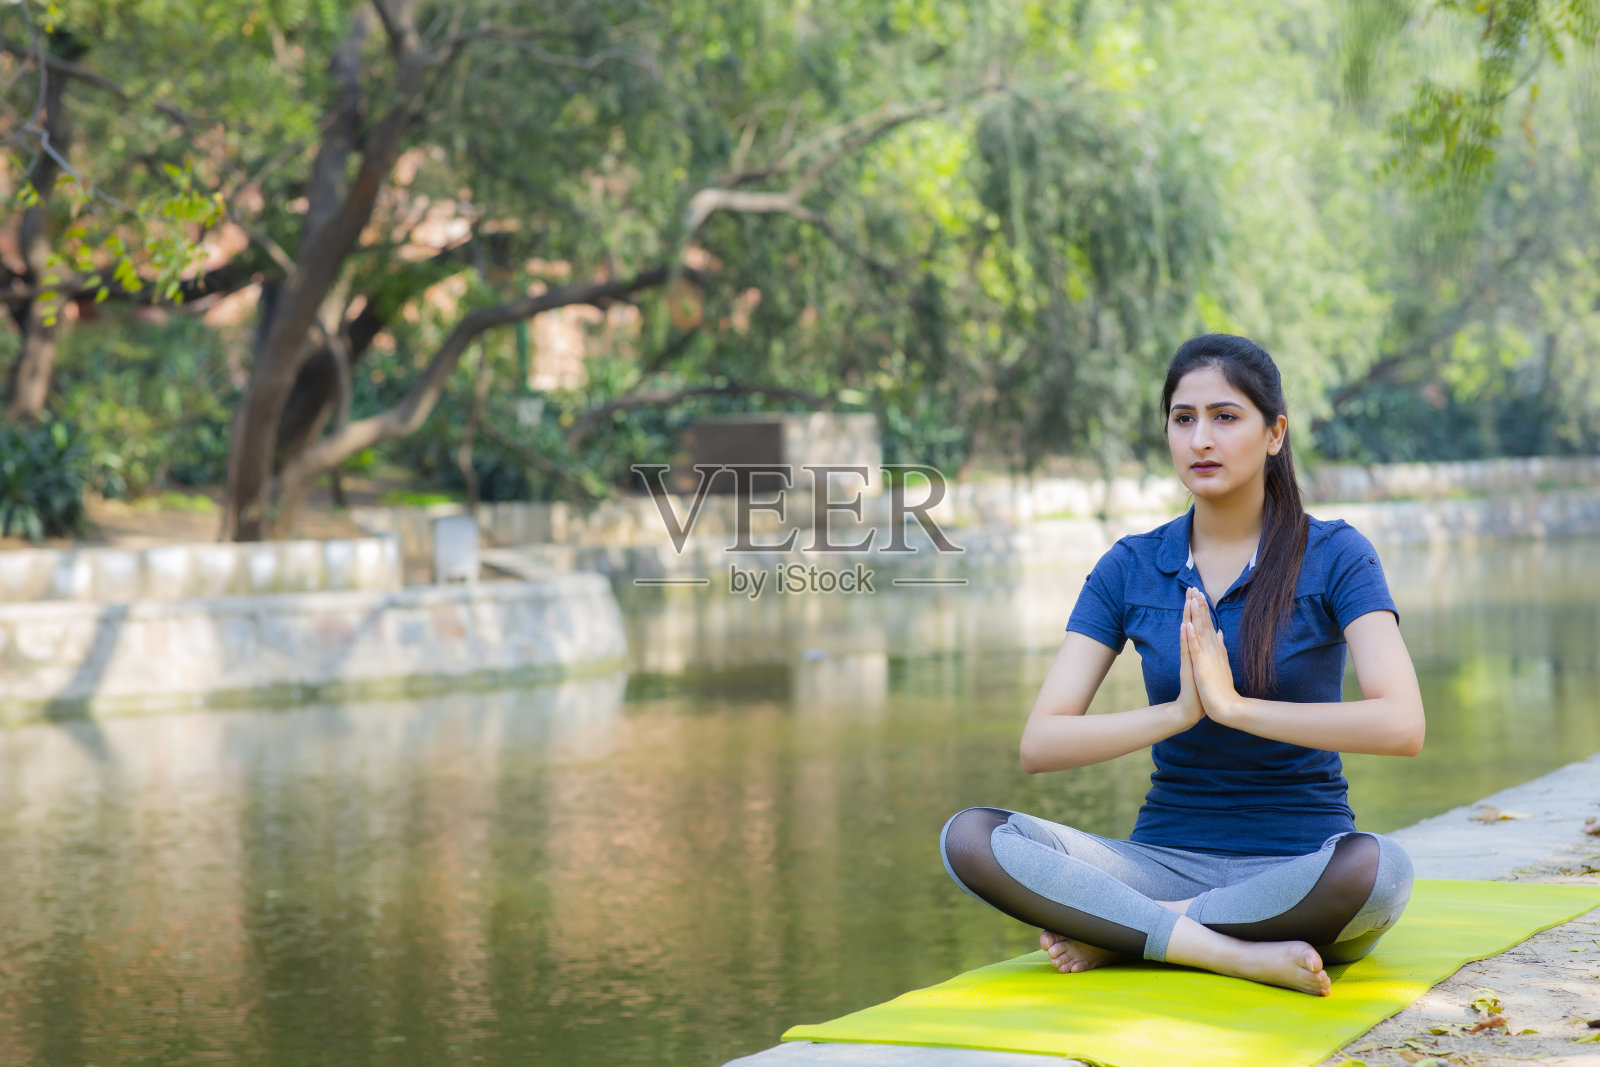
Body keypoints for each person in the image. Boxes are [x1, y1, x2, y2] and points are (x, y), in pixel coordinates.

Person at [939, 334, 1425, 997]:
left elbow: (1403, 723)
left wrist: (1233, 706)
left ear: (1275, 432)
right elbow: (1040, 743)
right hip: (1157, 861)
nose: (1201, 438)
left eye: (1226, 417)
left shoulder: (1336, 555)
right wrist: (1177, 713)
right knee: (972, 837)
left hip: (1299, 868)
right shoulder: (1131, 566)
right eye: (1183, 418)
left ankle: (1136, 931)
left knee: (1377, 869)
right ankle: (1225, 950)